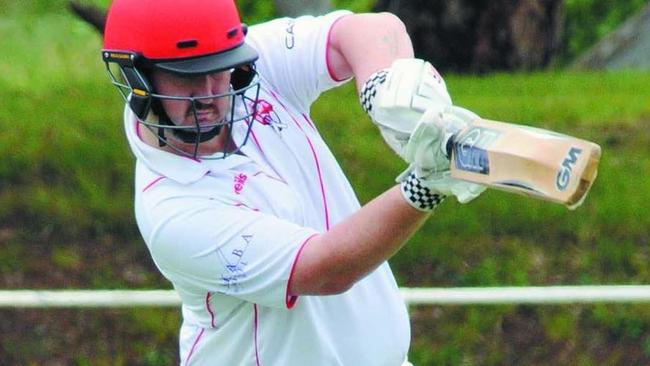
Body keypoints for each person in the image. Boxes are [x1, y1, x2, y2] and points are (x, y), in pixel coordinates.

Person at [101, 0, 486, 365]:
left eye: (217, 70)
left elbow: (371, 29)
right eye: (186, 78)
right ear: (137, 77)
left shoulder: (250, 67)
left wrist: (385, 91)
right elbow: (325, 268)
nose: (210, 95)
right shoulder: (172, 211)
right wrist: (427, 183)